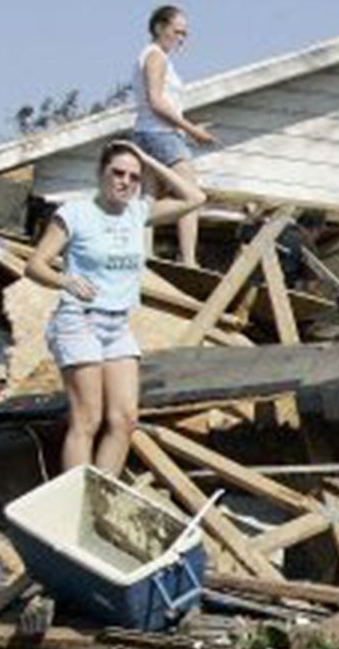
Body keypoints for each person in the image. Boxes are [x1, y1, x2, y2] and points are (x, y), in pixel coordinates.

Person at [25, 140, 206, 474]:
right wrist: (64, 280)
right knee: (87, 419)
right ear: (101, 173)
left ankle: (99, 501)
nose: (125, 181)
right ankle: (74, 504)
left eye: (134, 177)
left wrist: (148, 159)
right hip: (79, 321)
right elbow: (35, 264)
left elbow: (195, 198)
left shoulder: (138, 212)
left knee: (124, 420)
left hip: (117, 325)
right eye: (118, 173)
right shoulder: (75, 213)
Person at [131, 4, 215, 269]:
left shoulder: (148, 55)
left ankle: (143, 253)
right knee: (190, 195)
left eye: (185, 34)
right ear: (159, 27)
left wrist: (186, 127)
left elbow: (157, 103)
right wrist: (192, 130)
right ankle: (188, 259)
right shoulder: (157, 56)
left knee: (149, 196)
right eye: (178, 32)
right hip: (161, 135)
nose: (182, 39)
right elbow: (156, 101)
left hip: (147, 132)